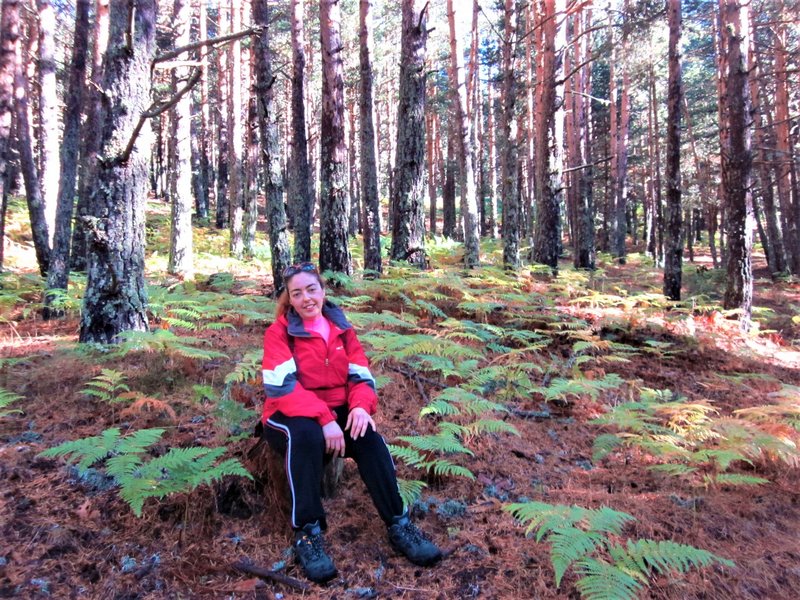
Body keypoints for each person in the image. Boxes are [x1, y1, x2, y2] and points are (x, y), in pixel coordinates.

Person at [260, 261, 442, 583]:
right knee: (306, 437)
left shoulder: (341, 329)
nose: (306, 299)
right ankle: (308, 532)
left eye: (311, 289)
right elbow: (281, 388)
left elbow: (361, 376)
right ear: (289, 299)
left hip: (336, 410)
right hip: (287, 414)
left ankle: (399, 524)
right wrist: (325, 419)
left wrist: (360, 408)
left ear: (323, 291)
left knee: (369, 439)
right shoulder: (280, 333)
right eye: (297, 293)